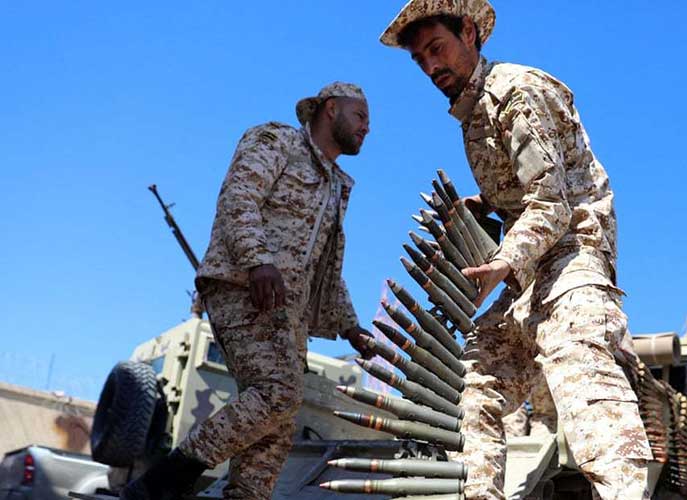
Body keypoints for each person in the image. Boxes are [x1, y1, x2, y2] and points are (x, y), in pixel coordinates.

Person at [379, 2, 652, 498]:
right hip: (529, 271)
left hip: (571, 256)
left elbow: (552, 201)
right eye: (420, 60)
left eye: (437, 48)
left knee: (584, 380)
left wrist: (504, 260)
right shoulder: (473, 111)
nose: (431, 66)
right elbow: (524, 188)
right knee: (479, 382)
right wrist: (484, 203)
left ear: (469, 32)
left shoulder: (514, 92)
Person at [121, 82, 375, 499]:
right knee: (279, 392)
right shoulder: (278, 140)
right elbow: (239, 198)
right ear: (331, 109)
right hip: (243, 286)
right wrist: (258, 261)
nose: (367, 128)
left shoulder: (334, 185)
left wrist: (350, 326)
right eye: (360, 116)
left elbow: (326, 268)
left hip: (287, 311)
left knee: (278, 422)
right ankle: (159, 484)